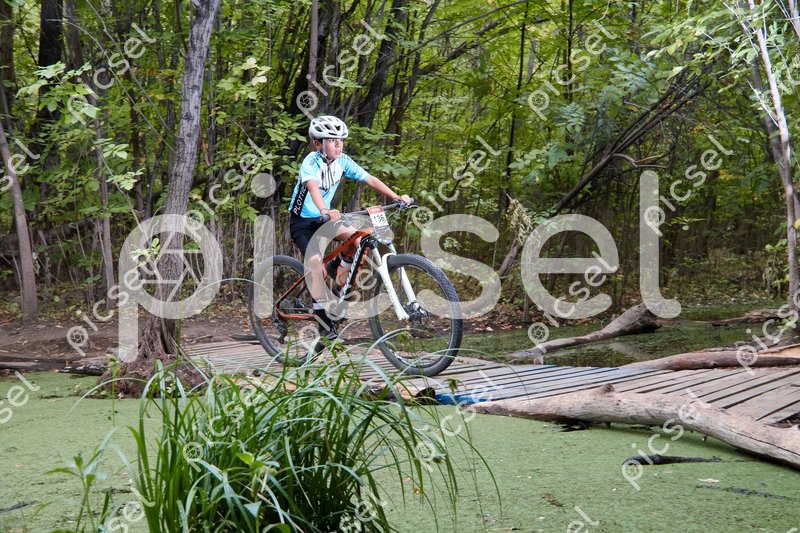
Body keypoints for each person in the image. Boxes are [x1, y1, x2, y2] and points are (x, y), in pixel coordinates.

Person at [287, 115, 412, 340]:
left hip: (325, 219)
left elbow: (369, 179)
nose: (338, 145)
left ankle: (338, 288)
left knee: (357, 240)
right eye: (332, 140)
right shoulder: (310, 162)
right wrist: (325, 209)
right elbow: (313, 187)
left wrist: (396, 197)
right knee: (316, 267)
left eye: (341, 140)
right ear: (318, 144)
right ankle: (323, 324)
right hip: (303, 223)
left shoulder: (342, 161)